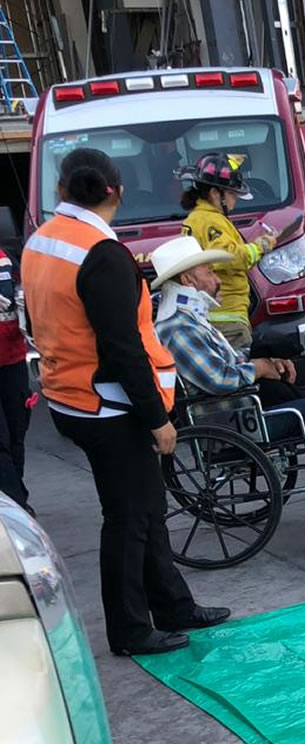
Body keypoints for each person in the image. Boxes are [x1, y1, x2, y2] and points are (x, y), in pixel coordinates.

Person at [21, 148, 228, 656]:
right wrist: (157, 420)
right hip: (109, 405)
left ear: (61, 191)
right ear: (117, 193)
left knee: (145, 508)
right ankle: (131, 629)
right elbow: (122, 347)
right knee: (129, 518)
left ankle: (173, 604)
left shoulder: (42, 242)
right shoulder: (101, 253)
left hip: (70, 395)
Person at [150, 237, 305, 520]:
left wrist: (269, 362)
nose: (216, 277)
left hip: (234, 409)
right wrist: (259, 368)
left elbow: (228, 362)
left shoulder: (187, 318)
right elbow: (219, 379)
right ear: (188, 279)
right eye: (209, 272)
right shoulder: (177, 326)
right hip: (227, 420)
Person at [179, 153, 276, 350]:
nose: (235, 200)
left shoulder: (198, 219)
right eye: (232, 194)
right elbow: (227, 256)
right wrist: (261, 247)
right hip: (227, 318)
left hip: (218, 315)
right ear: (215, 194)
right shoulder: (210, 221)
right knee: (241, 374)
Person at [0, 246, 33, 515]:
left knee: (17, 431)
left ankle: (13, 494)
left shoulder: (6, 256)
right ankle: (14, 507)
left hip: (13, 360)